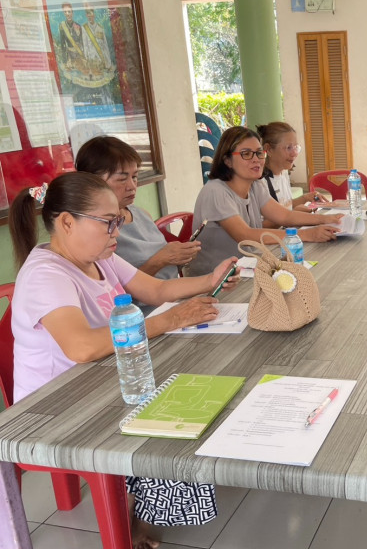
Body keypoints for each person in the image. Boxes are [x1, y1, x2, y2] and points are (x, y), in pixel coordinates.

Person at [9, 172, 240, 549]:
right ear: (67, 222)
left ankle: (145, 503)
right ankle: (134, 517)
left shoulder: (99, 258)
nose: (117, 231)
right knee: (167, 419)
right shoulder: (45, 275)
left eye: (118, 220)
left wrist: (210, 279)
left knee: (197, 383)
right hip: (54, 407)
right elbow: (81, 348)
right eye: (108, 222)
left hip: (98, 381)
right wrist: (168, 320)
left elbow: (157, 289)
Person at [187, 126, 343, 276]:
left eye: (259, 153)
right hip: (215, 279)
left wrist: (328, 219)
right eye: (246, 154)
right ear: (227, 160)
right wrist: (306, 234)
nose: (256, 159)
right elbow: (245, 235)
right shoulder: (215, 191)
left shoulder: (255, 185)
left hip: (245, 268)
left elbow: (284, 216)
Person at [75, 136, 200, 309]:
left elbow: (164, 279)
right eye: (122, 179)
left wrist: (181, 256)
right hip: (138, 313)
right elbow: (114, 292)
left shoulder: (141, 214)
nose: (132, 186)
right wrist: (160, 260)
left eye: (134, 177)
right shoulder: (95, 232)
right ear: (92, 181)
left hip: (173, 299)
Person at [256, 122, 328, 225]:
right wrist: (293, 214)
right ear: (269, 149)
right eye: (288, 148)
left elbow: (284, 205)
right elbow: (261, 226)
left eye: (296, 147)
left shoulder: (283, 173)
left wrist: (305, 198)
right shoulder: (260, 182)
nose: (294, 153)